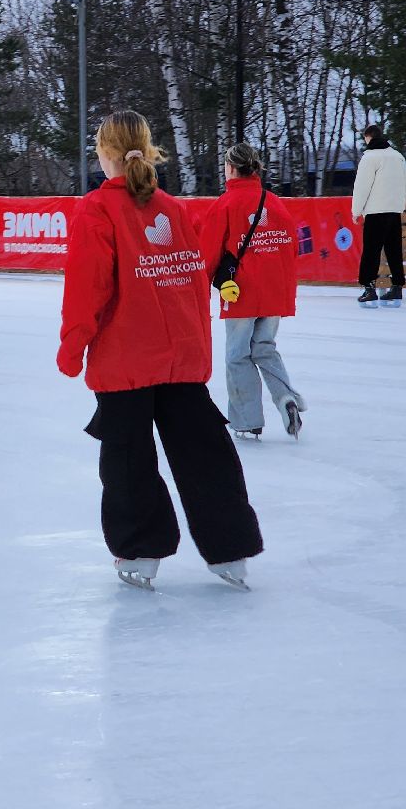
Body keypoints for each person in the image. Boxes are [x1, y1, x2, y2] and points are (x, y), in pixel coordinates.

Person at [57, 110, 263, 592]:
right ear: (147, 150)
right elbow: (192, 283)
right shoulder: (171, 208)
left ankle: (140, 551)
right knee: (205, 454)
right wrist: (195, 345)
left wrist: (72, 349)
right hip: (181, 360)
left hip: (126, 360)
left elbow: (88, 288)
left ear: (104, 154)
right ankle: (229, 549)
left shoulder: (98, 209)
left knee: (127, 459)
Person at [200, 143, 306, 441]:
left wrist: (204, 285)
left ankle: (247, 421)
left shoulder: (225, 204)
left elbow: (208, 253)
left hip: (241, 292)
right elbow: (293, 247)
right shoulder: (274, 201)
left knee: (238, 355)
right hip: (275, 292)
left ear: (231, 169)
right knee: (264, 348)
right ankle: (287, 399)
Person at [351, 123, 406, 308]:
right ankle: (397, 286)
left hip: (376, 211)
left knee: (371, 251)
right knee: (394, 250)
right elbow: (405, 183)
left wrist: (356, 211)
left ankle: (369, 288)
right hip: (394, 210)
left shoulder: (370, 157)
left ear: (368, 137)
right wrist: (400, 205)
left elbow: (361, 186)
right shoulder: (398, 156)